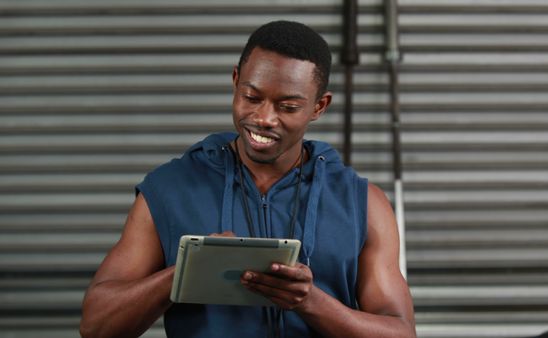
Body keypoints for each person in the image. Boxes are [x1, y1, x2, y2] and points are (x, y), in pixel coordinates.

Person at [79, 20, 416, 338]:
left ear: (318, 107)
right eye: (252, 97)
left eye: (287, 106)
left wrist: (311, 301)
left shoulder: (362, 202)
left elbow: (401, 332)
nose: (263, 118)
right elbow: (96, 326)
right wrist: (187, 271)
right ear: (236, 80)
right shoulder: (170, 188)